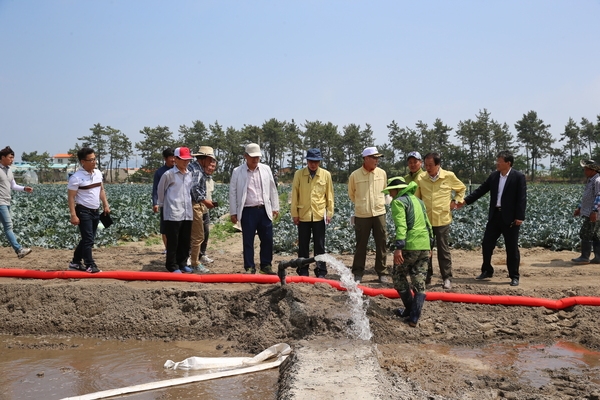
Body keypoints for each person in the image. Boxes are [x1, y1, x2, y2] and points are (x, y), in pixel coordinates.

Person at [457, 151, 527, 286]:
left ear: (508, 163)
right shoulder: (494, 176)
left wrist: (520, 216)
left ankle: (514, 275)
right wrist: (465, 201)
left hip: (511, 218)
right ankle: (487, 270)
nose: (497, 163)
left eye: (499, 161)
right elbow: (481, 190)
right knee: (486, 244)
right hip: (495, 215)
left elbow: (522, 198)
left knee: (511, 248)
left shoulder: (518, 177)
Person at [383, 176, 432, 327]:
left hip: (410, 245)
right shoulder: (419, 201)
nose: (390, 195)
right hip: (424, 245)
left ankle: (410, 311)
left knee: (398, 276)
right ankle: (414, 317)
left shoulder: (398, 202)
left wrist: (399, 248)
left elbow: (401, 226)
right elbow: (428, 223)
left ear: (397, 190)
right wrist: (430, 245)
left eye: (391, 191)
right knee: (418, 279)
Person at [415, 152, 466, 290]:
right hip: (426, 221)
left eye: (430, 165)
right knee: (425, 251)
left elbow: (461, 188)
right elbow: (416, 198)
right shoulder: (421, 178)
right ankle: (427, 277)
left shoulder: (448, 176)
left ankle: (447, 278)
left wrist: (455, 201)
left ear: (438, 165)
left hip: (442, 219)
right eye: (426, 165)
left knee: (443, 250)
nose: (428, 168)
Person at [229, 143, 279, 274]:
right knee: (248, 240)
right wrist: (233, 212)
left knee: (267, 239)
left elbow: (272, 188)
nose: (255, 159)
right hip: (248, 210)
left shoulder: (266, 169)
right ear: (245, 156)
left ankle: (266, 265)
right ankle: (249, 267)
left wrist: (275, 207)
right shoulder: (237, 171)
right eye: (252, 157)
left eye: (257, 157)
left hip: (263, 209)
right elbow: (233, 192)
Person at [291, 148, 334, 278]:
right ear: (307, 161)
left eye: (316, 161)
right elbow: (295, 195)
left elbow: (330, 195)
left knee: (320, 245)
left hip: (319, 214)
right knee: (303, 245)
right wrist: (295, 213)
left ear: (319, 162)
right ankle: (303, 270)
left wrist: (330, 212)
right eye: (311, 161)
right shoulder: (299, 174)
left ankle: (321, 271)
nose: (313, 164)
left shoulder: (326, 175)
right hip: (303, 214)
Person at [348, 146, 389, 283]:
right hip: (362, 214)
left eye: (378, 158)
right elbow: (352, 194)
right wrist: (362, 204)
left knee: (381, 243)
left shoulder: (382, 173)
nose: (377, 160)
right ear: (366, 159)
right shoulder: (355, 175)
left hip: (379, 213)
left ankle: (382, 272)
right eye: (374, 158)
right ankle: (358, 272)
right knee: (361, 245)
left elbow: (385, 191)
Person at [67, 147, 110, 273]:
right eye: (90, 160)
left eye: (94, 159)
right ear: (83, 162)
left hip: (95, 211)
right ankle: (90, 264)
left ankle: (75, 262)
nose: (94, 162)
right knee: (88, 240)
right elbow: (71, 197)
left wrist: (105, 204)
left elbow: (101, 190)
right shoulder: (76, 177)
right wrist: (73, 215)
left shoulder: (98, 173)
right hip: (83, 211)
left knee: (88, 239)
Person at [157, 147, 195, 274]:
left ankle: (182, 263)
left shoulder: (190, 174)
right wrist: (163, 205)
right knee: (173, 241)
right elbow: (160, 191)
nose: (186, 162)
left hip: (187, 212)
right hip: (173, 212)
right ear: (176, 159)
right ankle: (172, 265)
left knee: (185, 240)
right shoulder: (169, 175)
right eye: (183, 160)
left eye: (188, 160)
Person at [188, 146, 217, 273]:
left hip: (189, 204)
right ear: (204, 158)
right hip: (194, 204)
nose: (211, 162)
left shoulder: (193, 168)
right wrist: (205, 201)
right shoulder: (197, 171)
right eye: (209, 159)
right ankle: (194, 263)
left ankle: (188, 261)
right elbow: (194, 188)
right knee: (198, 236)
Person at [0, 146, 33, 259]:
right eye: (10, 157)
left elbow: (13, 185)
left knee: (7, 226)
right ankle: (19, 249)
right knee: (8, 226)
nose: (12, 159)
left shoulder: (9, 170)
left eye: (13, 157)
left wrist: (24, 188)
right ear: (3, 157)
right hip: (1, 203)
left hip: (7, 201)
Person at [571, 159, 600, 265]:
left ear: (592, 170)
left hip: (593, 213)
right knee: (596, 234)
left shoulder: (597, 181)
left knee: (585, 233)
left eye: (586, 169)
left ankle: (584, 257)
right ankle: (598, 257)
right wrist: (579, 208)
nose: (584, 171)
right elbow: (587, 197)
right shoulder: (591, 180)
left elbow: (599, 196)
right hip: (589, 211)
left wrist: (595, 211)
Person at [152, 148, 175, 254]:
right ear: (165, 158)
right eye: (171, 157)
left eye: (175, 157)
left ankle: (175, 247)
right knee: (164, 228)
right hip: (165, 204)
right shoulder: (160, 172)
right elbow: (155, 188)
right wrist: (155, 203)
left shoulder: (178, 170)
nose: (174, 159)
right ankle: (167, 248)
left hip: (176, 204)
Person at [200, 154, 218, 265]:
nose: (210, 168)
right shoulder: (198, 176)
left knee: (205, 233)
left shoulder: (210, 180)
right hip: (196, 209)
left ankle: (202, 254)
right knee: (195, 235)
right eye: (209, 165)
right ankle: (189, 255)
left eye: (213, 166)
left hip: (205, 210)